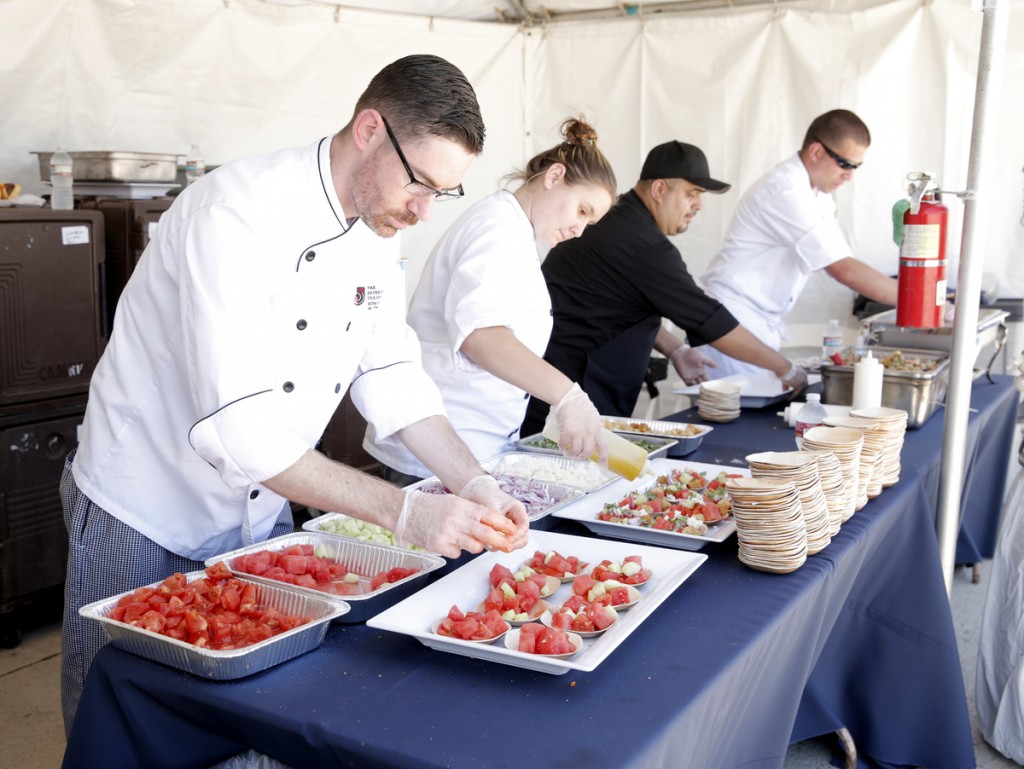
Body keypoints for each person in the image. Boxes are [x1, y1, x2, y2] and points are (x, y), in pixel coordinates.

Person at [58, 54, 530, 736]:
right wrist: (407, 512)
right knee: (119, 716)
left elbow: (393, 373)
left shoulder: (375, 235)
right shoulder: (236, 213)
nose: (425, 211)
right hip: (145, 503)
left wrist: (471, 479)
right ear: (370, 129)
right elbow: (242, 429)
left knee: (247, 715)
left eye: (444, 193)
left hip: (257, 512)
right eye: (421, 183)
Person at [365, 117, 616, 486]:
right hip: (435, 453)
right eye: (581, 210)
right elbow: (480, 336)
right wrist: (567, 396)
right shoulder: (497, 229)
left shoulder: (515, 231)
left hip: (473, 448)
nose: (579, 230)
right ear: (554, 176)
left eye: (589, 223)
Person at [521, 140, 806, 435]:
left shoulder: (619, 222)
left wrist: (677, 350)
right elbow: (710, 319)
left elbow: (617, 303)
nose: (698, 205)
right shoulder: (641, 243)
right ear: (659, 190)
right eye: (691, 193)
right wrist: (786, 369)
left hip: (562, 385)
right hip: (569, 395)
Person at [699, 109, 899, 378]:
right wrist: (918, 303)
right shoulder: (786, 191)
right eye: (845, 164)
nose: (850, 176)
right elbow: (843, 269)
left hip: (756, 321)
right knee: (736, 415)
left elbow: (844, 259)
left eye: (856, 167)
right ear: (816, 151)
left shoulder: (816, 193)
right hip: (732, 319)